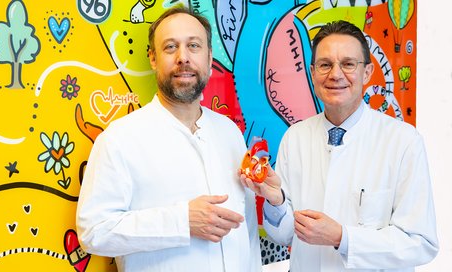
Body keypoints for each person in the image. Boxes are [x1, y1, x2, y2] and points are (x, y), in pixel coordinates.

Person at [241, 20, 439, 271]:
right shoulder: (296, 137)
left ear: (366, 72)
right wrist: (276, 201)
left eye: (348, 64)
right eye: (325, 65)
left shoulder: (403, 141)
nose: (335, 74)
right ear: (312, 73)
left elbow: (420, 243)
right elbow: (285, 236)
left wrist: (342, 237)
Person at [76, 7, 261, 272]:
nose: (183, 58)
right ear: (153, 58)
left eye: (194, 46)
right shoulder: (119, 139)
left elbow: (248, 231)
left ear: (209, 58)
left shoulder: (229, 132)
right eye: (170, 47)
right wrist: (181, 221)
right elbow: (94, 231)